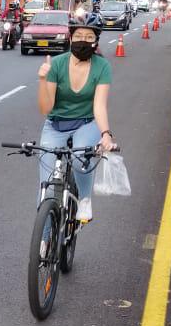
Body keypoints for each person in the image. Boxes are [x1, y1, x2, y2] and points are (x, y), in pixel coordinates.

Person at [36, 19, 115, 224]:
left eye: (89, 37)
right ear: (71, 37)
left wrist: (106, 134)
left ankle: (85, 199)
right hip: (55, 124)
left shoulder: (102, 66)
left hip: (86, 123)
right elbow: (46, 109)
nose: (83, 41)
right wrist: (43, 80)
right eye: (79, 36)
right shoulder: (57, 64)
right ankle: (43, 243)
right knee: (46, 187)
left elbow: (99, 106)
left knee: (81, 155)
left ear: (96, 42)